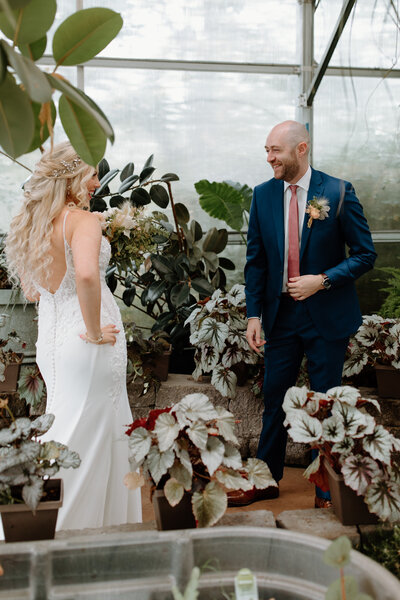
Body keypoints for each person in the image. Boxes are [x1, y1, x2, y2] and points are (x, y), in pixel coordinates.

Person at [228, 120, 376, 508]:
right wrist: (253, 315)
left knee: (325, 400)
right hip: (280, 317)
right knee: (275, 396)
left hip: (326, 315)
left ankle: (325, 487)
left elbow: (364, 255)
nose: (269, 158)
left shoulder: (339, 192)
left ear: (302, 149)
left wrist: (322, 280)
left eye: (275, 150)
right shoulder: (262, 196)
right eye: (266, 150)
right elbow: (256, 262)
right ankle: (266, 477)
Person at [5, 142, 142, 530]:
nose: (98, 182)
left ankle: (35, 517)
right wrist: (96, 332)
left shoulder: (37, 222)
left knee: (67, 424)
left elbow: (34, 291)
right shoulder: (82, 221)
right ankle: (66, 529)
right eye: (93, 173)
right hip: (87, 342)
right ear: (71, 176)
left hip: (53, 341)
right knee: (88, 432)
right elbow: (85, 275)